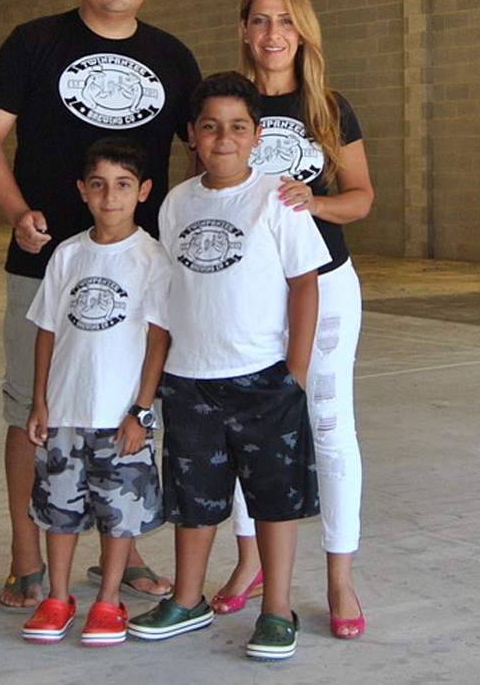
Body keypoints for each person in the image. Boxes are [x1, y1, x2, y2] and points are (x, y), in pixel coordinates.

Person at [0, 0, 201, 610]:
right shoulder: (35, 41)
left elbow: (196, 153)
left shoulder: (171, 55)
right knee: (29, 411)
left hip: (139, 276)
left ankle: (123, 555)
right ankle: (25, 557)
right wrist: (16, 211)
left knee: (129, 412)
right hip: (46, 265)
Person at [128, 72, 331, 661]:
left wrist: (294, 369)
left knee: (274, 497)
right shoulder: (175, 202)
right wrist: (158, 374)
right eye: (211, 127)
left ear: (256, 134)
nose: (224, 138)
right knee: (194, 497)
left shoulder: (278, 197)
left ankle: (276, 609)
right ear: (191, 135)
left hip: (263, 377)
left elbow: (305, 285)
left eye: (237, 127)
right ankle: (187, 599)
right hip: (191, 379)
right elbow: (166, 296)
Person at [209, 0, 374, 640]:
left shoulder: (330, 107)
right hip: (248, 291)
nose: (272, 34)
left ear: (302, 31)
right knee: (252, 428)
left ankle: (339, 577)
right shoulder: (228, 104)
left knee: (329, 426)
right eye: (258, 21)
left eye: (284, 21)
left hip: (325, 281)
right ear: (244, 31)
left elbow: (361, 196)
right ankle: (249, 562)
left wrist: (317, 203)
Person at [21, 139, 170, 646]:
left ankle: (108, 601)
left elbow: (158, 339)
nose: (111, 197)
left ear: (143, 191)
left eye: (124, 185)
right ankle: (57, 597)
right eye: (99, 185)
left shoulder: (151, 257)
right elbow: (46, 330)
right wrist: (40, 400)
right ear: (83, 191)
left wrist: (141, 412)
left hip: (120, 416)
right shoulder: (67, 254)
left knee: (118, 515)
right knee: (58, 511)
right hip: (64, 409)